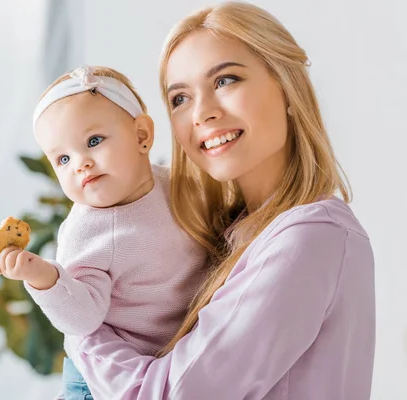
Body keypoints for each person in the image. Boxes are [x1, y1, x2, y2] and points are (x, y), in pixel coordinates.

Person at [61, 2, 376, 399]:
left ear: (287, 86)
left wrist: (81, 327)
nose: (202, 113)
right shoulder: (231, 233)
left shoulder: (310, 237)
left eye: (226, 80)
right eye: (180, 98)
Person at [0, 65, 208, 399]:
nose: (80, 163)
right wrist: (44, 277)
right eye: (62, 158)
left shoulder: (180, 186)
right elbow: (82, 321)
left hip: (168, 364)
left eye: (93, 141)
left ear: (141, 137)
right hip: (101, 382)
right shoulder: (87, 230)